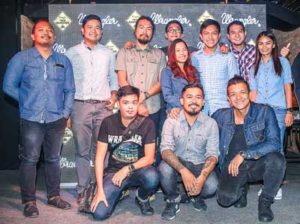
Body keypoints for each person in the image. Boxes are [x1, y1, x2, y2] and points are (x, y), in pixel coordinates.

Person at [3, 20, 75, 217]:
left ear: (54, 37)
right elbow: (8, 86)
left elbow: (70, 89)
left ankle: (54, 196)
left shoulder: (63, 60)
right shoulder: (21, 58)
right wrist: (27, 102)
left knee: (53, 159)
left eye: (50, 31)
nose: (46, 33)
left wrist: (66, 112)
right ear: (33, 36)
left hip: (56, 119)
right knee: (30, 160)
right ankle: (29, 201)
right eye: (41, 30)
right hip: (31, 118)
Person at [213, 76, 286, 222]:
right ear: (228, 99)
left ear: (250, 94)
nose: (238, 97)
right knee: (225, 200)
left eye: (242, 92)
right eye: (233, 94)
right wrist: (177, 112)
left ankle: (265, 201)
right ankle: (242, 188)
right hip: (232, 167)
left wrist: (244, 154)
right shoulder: (220, 116)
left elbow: (274, 143)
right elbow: (201, 125)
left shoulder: (264, 111)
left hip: (255, 164)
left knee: (277, 160)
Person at [65, 14, 118, 210]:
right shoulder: (71, 53)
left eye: (97, 28)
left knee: (102, 150)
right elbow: (66, 83)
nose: (93, 30)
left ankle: (99, 187)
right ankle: (82, 189)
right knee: (82, 150)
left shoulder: (108, 53)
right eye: (90, 27)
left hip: (104, 107)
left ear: (102, 32)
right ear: (82, 30)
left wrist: (113, 96)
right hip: (80, 105)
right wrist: (68, 111)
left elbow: (113, 78)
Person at [90, 85, 159, 220]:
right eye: (126, 103)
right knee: (99, 214)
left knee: (153, 176)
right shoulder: (108, 123)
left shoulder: (148, 124)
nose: (130, 107)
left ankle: (142, 197)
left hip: (138, 170)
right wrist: (100, 190)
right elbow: (99, 158)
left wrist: (127, 169)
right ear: (118, 103)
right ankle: (121, 192)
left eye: (134, 102)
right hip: (114, 173)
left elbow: (150, 158)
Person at [159, 83, 219, 220]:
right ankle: (173, 200)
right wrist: (183, 171)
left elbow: (213, 154)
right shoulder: (171, 121)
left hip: (199, 163)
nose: (194, 101)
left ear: (203, 102)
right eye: (189, 97)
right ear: (182, 101)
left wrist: (203, 177)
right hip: (177, 162)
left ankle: (193, 196)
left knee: (212, 186)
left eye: (198, 97)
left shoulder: (211, 123)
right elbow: (165, 150)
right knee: (164, 168)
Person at [116, 15, 166, 164]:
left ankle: (150, 183)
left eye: (149, 29)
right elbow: (121, 80)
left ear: (152, 33)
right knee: (129, 148)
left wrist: (143, 96)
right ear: (135, 30)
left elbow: (161, 81)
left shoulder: (160, 54)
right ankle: (128, 182)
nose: (145, 31)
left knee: (152, 148)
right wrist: (137, 104)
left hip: (153, 109)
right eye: (141, 27)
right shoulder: (124, 52)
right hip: (129, 110)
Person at [249, 31, 293, 154]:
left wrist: (289, 111)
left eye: (268, 43)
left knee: (277, 148)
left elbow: (287, 87)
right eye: (261, 44)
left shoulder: (283, 62)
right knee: (260, 147)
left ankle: (278, 172)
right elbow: (253, 93)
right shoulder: (253, 68)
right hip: (260, 112)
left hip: (278, 111)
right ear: (257, 46)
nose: (264, 47)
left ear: (273, 45)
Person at [192, 19, 239, 115]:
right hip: (200, 110)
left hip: (223, 109)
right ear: (201, 36)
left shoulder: (228, 57)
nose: (210, 37)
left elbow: (235, 84)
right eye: (206, 33)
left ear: (219, 35)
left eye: (214, 33)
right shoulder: (195, 58)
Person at [161, 38, 199, 118]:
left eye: (184, 49)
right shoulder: (167, 71)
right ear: (172, 54)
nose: (182, 53)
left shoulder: (194, 71)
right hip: (175, 111)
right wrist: (185, 106)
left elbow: (199, 91)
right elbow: (167, 95)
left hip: (194, 110)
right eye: (178, 51)